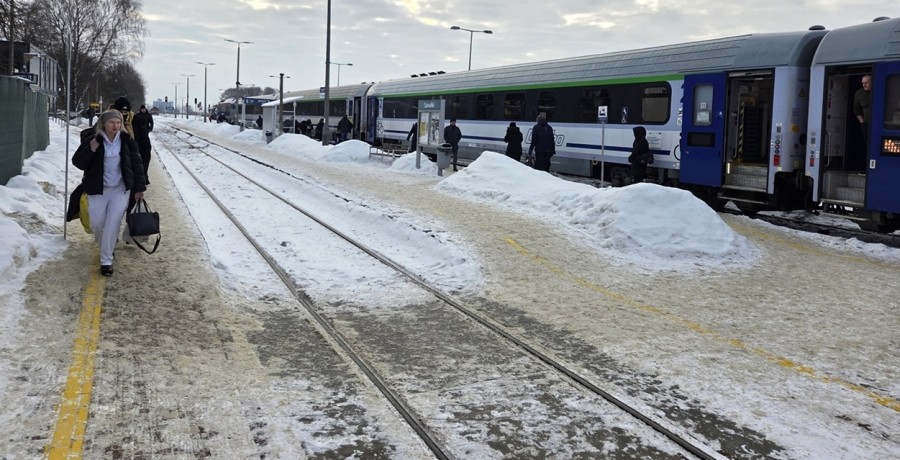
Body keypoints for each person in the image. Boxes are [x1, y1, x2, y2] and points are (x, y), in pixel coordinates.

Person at [72, 109, 147, 277]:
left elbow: (137, 164)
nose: (116, 125)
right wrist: (91, 150)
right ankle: (109, 244)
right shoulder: (93, 140)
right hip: (98, 190)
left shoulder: (127, 141)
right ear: (103, 124)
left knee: (113, 223)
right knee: (96, 224)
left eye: (118, 122)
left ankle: (106, 260)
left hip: (120, 190)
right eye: (112, 122)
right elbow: (77, 162)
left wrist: (139, 188)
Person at [133, 104, 154, 185]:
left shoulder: (148, 115)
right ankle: (143, 177)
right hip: (140, 139)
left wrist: (149, 129)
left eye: (144, 109)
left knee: (143, 160)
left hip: (144, 136)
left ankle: (144, 177)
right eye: (142, 109)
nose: (143, 110)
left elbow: (151, 122)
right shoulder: (137, 116)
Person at [853, 74, 872, 155]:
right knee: (868, 144)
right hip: (866, 124)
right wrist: (862, 122)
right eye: (862, 83)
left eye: (866, 83)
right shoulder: (859, 93)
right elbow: (856, 108)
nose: (864, 85)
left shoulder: (878, 90)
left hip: (878, 123)